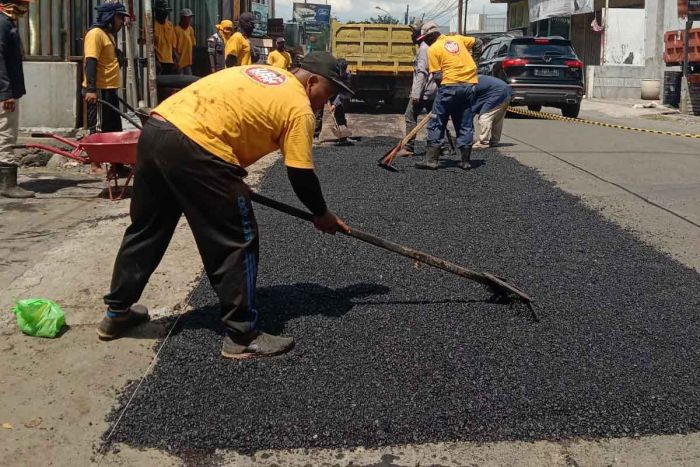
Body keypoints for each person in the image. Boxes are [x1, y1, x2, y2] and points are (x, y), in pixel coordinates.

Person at [98, 52, 354, 362]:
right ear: (312, 80)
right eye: (328, 93)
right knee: (237, 236)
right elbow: (300, 173)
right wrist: (321, 213)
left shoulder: (264, 73)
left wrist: (226, 177)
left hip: (158, 129)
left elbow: (235, 116)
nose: (325, 103)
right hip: (199, 147)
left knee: (148, 227)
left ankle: (117, 313)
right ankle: (242, 335)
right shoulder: (299, 109)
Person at [415, 21, 482, 171]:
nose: (425, 41)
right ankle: (465, 162)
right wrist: (475, 62)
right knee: (465, 122)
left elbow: (438, 76)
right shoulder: (458, 39)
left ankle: (431, 160)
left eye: (425, 38)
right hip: (468, 86)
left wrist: (443, 96)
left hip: (449, 87)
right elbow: (479, 42)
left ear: (432, 35)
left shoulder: (433, 49)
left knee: (437, 121)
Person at [82, 1, 129, 175]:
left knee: (114, 129)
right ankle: (95, 164)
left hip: (110, 88)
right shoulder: (95, 34)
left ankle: (117, 166)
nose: (121, 22)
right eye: (119, 17)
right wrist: (91, 89)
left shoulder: (108, 35)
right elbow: (91, 62)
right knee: (99, 128)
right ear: (110, 17)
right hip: (99, 89)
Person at [0, 0, 33, 198]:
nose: (24, 8)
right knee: (6, 135)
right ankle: (7, 185)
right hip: (5, 92)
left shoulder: (7, 22)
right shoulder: (3, 23)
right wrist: (7, 92)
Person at [400, 21, 438, 157]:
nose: (412, 35)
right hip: (433, 90)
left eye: (414, 32)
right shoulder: (431, 47)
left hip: (424, 92)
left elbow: (422, 72)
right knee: (436, 119)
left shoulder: (423, 49)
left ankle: (409, 148)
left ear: (421, 33)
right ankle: (441, 146)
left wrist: (416, 94)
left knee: (410, 116)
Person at [313, 59, 351, 145]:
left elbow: (342, 93)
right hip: (323, 90)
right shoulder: (327, 74)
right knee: (319, 113)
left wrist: (334, 104)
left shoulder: (347, 76)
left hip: (336, 92)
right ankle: (315, 136)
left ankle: (343, 136)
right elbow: (323, 87)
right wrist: (325, 98)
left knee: (339, 111)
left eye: (343, 70)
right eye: (340, 70)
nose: (341, 72)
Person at [472, 75, 512, 149]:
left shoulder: (471, 83)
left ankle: (483, 142)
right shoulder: (477, 79)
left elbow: (472, 106)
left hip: (498, 93)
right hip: (508, 91)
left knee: (484, 117)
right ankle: (495, 141)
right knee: (497, 119)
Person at [153, 0, 178, 74]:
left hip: (169, 62)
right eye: (162, 12)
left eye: (166, 12)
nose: (165, 14)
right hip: (159, 63)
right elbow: (150, 46)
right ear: (157, 12)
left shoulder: (170, 25)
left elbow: (172, 46)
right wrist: (155, 61)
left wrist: (175, 60)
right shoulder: (152, 26)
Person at [174, 8, 196, 76]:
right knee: (180, 83)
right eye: (187, 18)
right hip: (179, 63)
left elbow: (193, 44)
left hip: (188, 62)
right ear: (182, 18)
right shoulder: (176, 30)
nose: (189, 20)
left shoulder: (190, 29)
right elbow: (173, 47)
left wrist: (192, 57)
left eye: (190, 18)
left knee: (190, 81)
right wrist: (176, 60)